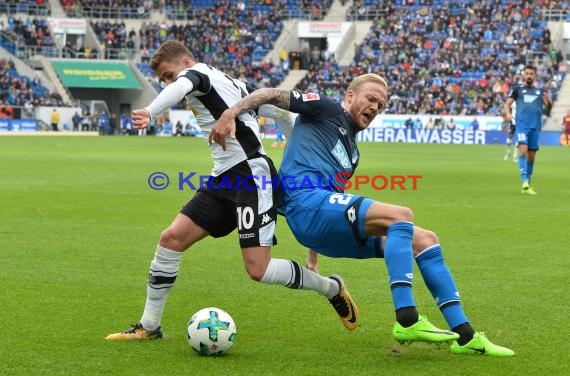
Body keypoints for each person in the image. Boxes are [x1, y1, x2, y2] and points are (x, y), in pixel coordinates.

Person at [211, 73, 514, 356]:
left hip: (320, 222)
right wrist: (230, 113)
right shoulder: (326, 109)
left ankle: (466, 337)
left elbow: (334, 200)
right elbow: (271, 94)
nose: (375, 107)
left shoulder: (352, 154)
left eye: (380, 105)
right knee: (401, 216)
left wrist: (313, 257)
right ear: (350, 95)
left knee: (424, 239)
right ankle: (407, 318)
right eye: (370, 98)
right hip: (304, 205)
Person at [105, 40, 357, 340]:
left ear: (186, 62)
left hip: (252, 174)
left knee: (258, 269)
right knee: (171, 239)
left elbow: (181, 86)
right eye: (164, 80)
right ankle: (149, 326)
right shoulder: (235, 84)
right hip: (223, 178)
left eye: (169, 75)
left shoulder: (196, 73)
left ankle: (331, 288)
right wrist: (292, 141)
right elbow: (281, 115)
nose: (169, 82)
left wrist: (151, 110)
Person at [505, 65, 552, 195]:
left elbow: (549, 109)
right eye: (527, 73)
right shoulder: (517, 90)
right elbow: (508, 103)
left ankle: (528, 185)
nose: (529, 75)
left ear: (535, 76)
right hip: (522, 126)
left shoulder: (540, 92)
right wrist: (508, 114)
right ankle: (524, 182)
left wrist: (548, 102)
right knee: (523, 149)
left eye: (531, 73)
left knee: (531, 157)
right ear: (523, 75)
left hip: (535, 127)